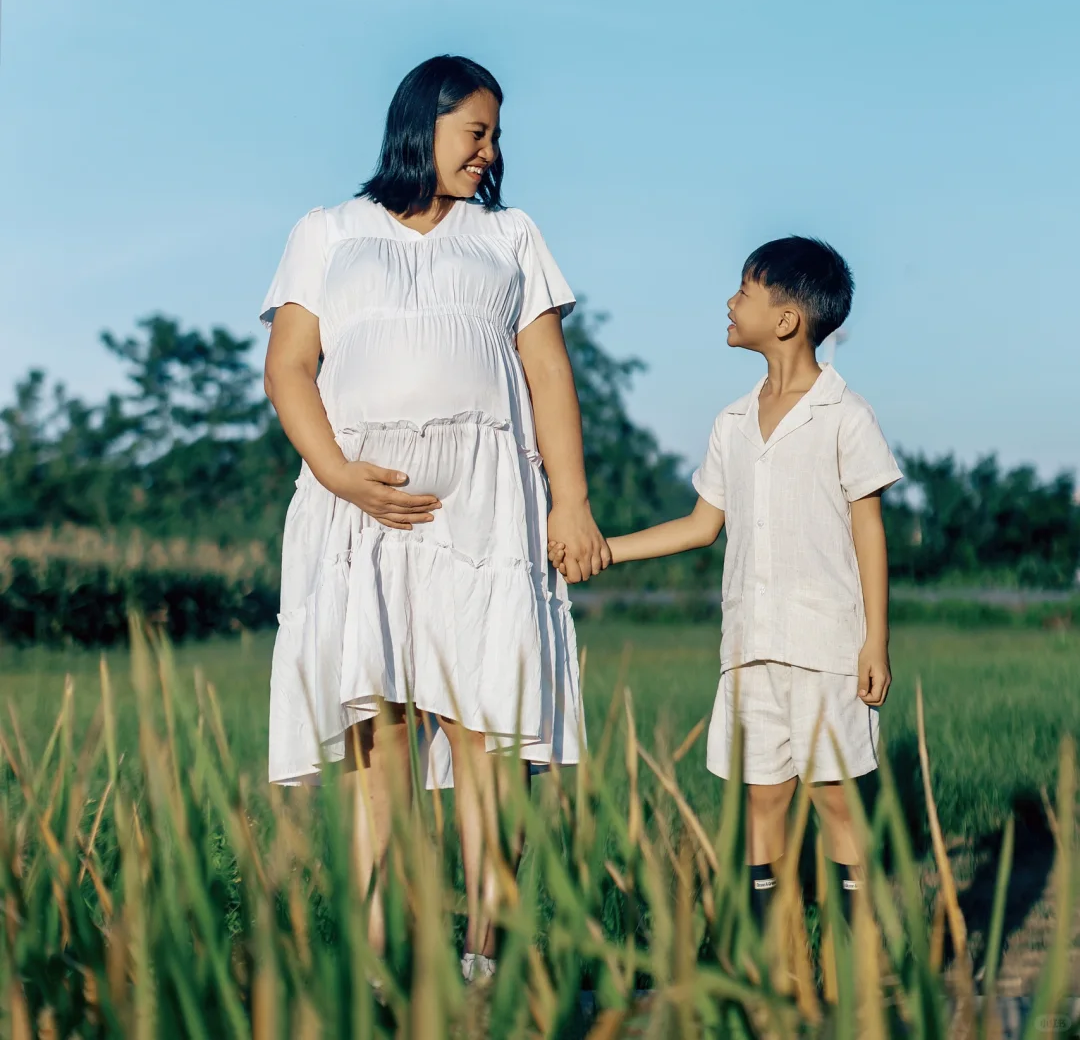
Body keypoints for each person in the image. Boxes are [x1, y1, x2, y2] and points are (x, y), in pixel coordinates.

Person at [261, 54, 609, 979]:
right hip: (362, 511)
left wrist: (570, 500)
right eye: (478, 130)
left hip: (488, 509)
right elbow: (290, 367)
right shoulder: (327, 231)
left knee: (486, 732)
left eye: (496, 136)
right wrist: (338, 473)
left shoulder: (511, 237)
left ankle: (481, 955)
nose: (491, 152)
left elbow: (547, 377)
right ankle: (380, 958)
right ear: (426, 123)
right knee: (379, 736)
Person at [551, 236, 900, 922]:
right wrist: (604, 549)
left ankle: (861, 959)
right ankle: (776, 959)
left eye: (744, 290)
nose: (730, 302)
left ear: (789, 318)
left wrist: (874, 642)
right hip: (748, 647)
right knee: (762, 798)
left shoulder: (845, 415)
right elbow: (700, 524)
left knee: (835, 798)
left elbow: (869, 529)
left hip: (827, 647)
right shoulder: (732, 422)